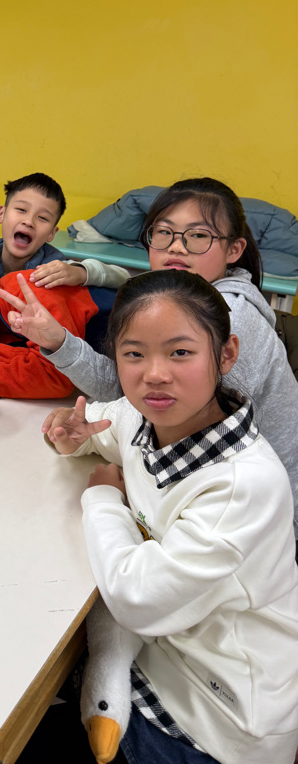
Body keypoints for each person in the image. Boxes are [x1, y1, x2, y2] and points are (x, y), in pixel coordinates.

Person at [42, 269, 298, 764]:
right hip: (157, 653)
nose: (155, 374)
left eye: (180, 352)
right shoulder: (148, 417)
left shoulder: (243, 485)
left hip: (216, 716)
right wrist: (71, 437)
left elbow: (135, 599)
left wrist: (102, 499)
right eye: (134, 354)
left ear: (226, 354)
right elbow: (104, 429)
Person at [0, 176, 298, 532]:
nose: (177, 247)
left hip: (258, 517)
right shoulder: (176, 299)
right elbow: (133, 392)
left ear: (234, 250)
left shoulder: (230, 318)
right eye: (164, 232)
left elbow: (143, 399)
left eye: (198, 236)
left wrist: (107, 496)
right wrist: (58, 341)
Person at [0, 171, 129, 290]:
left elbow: (124, 278)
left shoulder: (56, 269)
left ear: (52, 233)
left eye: (43, 218)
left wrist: (79, 273)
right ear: (1, 214)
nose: (29, 222)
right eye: (21, 210)